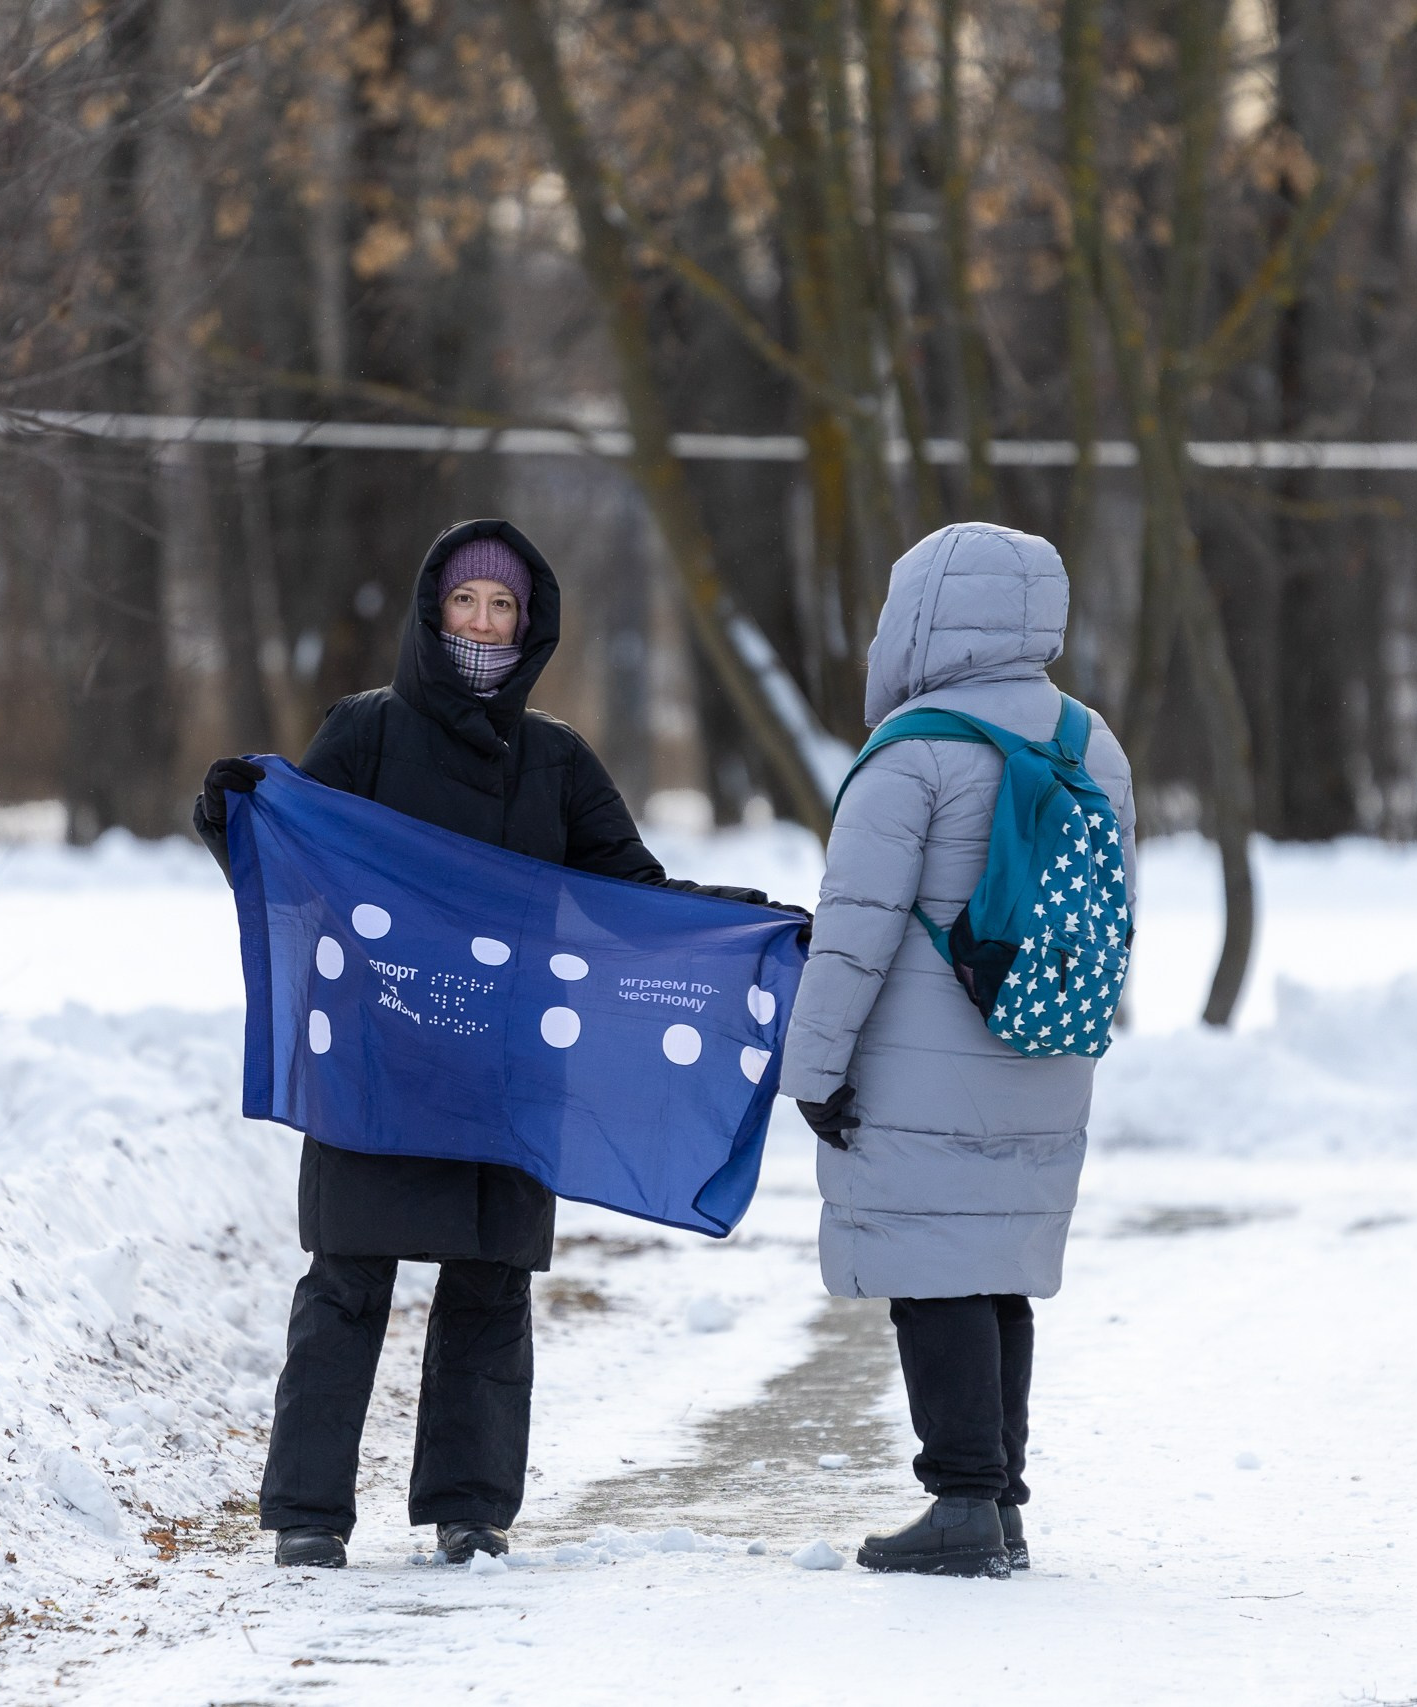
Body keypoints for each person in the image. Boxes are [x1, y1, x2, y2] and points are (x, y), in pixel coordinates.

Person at [191, 518, 786, 1571]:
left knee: (488, 1289)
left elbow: (627, 897)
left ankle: (470, 1509)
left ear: (530, 624)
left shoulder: (555, 760)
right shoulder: (365, 733)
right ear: (432, 610)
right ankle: (308, 1516)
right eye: (465, 600)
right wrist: (234, 814)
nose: (481, 622)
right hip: (378, 1061)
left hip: (508, 1071)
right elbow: (302, 855)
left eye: (502, 605)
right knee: (346, 1284)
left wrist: (740, 925)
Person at [781, 522, 1136, 1579]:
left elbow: (853, 932)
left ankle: (961, 1504)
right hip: (1044, 1039)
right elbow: (1117, 917)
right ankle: (998, 1504)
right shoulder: (1090, 741)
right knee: (995, 1272)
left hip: (914, 1062)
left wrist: (813, 1072)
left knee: (931, 1269)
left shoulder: (912, 752)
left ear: (922, 616)